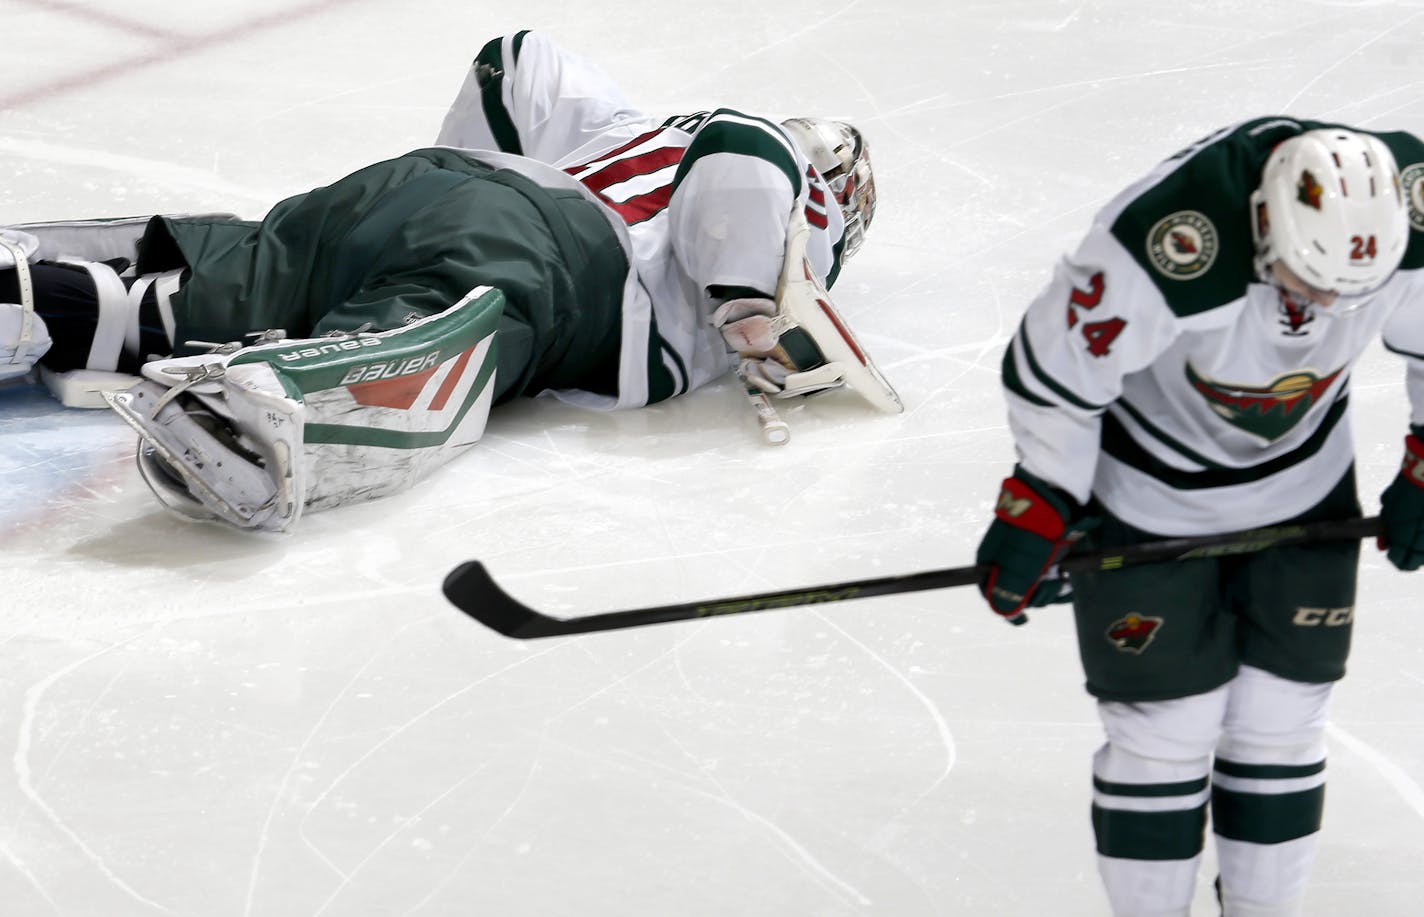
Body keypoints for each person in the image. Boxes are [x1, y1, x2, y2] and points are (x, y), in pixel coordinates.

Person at [0, 30, 896, 532]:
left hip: (410, 188)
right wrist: (745, 301)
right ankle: (279, 408)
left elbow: (516, 59)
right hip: (556, 256)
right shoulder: (797, 198)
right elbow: (743, 146)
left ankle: (46, 288)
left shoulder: (630, 127)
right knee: (446, 324)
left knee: (227, 280)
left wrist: (465, 180)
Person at [973, 116, 1424, 916]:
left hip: (1304, 492)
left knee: (1282, 725)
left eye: (1349, 296)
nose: (1324, 311)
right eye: (1308, 282)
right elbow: (1056, 373)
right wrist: (1042, 500)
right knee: (1165, 733)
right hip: (1147, 502)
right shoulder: (1163, 242)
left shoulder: (1414, 212)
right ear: (1264, 222)